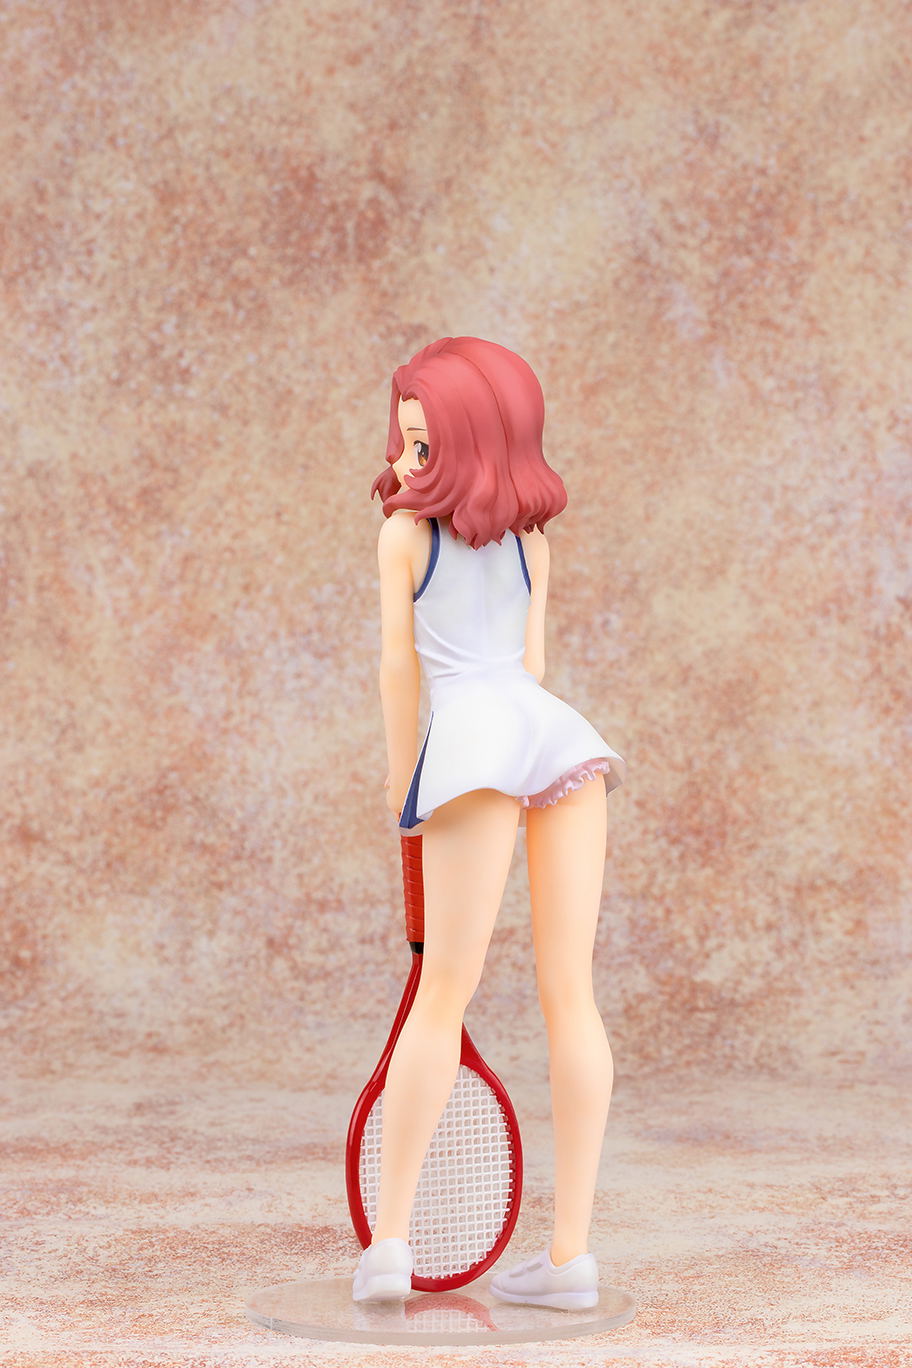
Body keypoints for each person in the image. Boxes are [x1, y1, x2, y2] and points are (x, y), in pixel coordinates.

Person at [351, 337, 627, 1308]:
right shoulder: (530, 546)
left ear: (475, 442)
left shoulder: (404, 538)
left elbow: (400, 670)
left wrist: (406, 783)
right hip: (558, 741)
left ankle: (389, 1246)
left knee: (442, 993)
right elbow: (532, 668)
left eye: (423, 445)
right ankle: (571, 1258)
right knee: (571, 998)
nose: (405, 460)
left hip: (470, 748)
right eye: (405, 442)